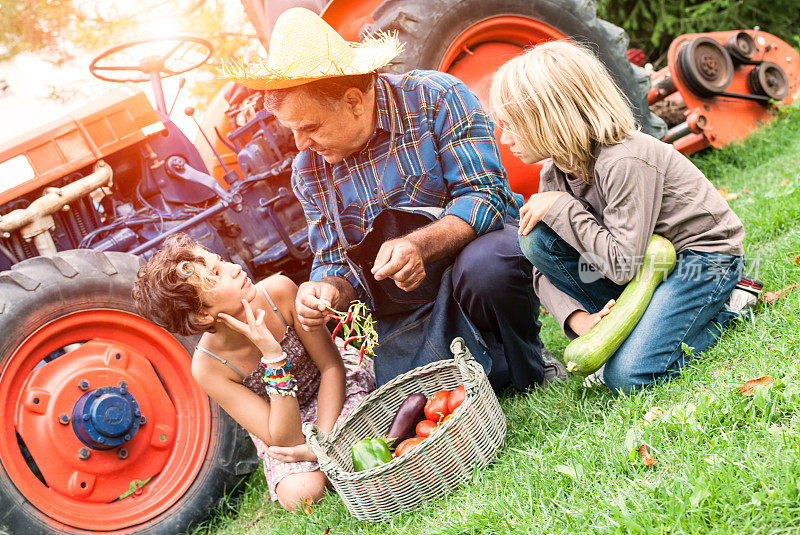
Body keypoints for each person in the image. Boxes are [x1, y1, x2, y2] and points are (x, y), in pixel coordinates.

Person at [223, 7, 563, 391]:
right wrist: (327, 289)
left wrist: (418, 245)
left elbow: (485, 196)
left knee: (491, 264)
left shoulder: (435, 97)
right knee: (414, 395)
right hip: (407, 311)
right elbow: (334, 259)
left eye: (310, 128)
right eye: (292, 132)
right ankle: (484, 371)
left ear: (353, 101)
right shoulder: (309, 169)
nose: (301, 145)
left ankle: (530, 367)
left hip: (472, 270)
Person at [489, 41, 746, 394]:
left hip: (699, 260)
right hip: (644, 262)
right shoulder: (554, 171)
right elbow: (541, 268)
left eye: (513, 125)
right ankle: (633, 330)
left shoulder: (623, 160)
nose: (505, 138)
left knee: (628, 377)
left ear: (551, 119)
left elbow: (622, 264)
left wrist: (561, 208)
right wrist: (578, 319)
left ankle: (731, 305)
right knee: (535, 238)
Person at [131, 234, 375, 511]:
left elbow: (331, 367)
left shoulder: (279, 293)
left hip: (334, 391)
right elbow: (285, 438)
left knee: (369, 428)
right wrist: (273, 357)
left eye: (220, 261)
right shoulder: (209, 367)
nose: (234, 268)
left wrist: (323, 440)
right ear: (202, 316)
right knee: (300, 494)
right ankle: (339, 460)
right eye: (216, 274)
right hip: (285, 422)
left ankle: (336, 455)